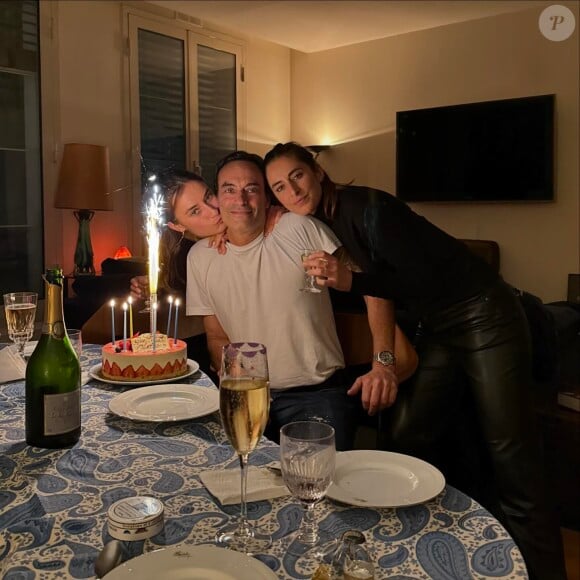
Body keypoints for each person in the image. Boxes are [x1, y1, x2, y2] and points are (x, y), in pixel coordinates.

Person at [263, 142, 565, 580]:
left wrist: (348, 279)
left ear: (316, 171)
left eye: (297, 176)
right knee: (410, 432)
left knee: (513, 456)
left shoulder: (365, 205)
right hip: (441, 327)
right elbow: (385, 291)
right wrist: (383, 359)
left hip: (486, 315)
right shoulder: (324, 220)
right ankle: (443, 548)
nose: (292, 190)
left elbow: (415, 280)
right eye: (279, 188)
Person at [186, 151, 417, 450]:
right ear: (218, 198)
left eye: (252, 189)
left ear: (267, 198)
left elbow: (371, 283)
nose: (240, 200)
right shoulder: (200, 257)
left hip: (316, 394)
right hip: (249, 395)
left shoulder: (298, 227)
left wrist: (382, 362)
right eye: (229, 189)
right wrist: (240, 388)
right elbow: (217, 336)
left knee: (312, 485)